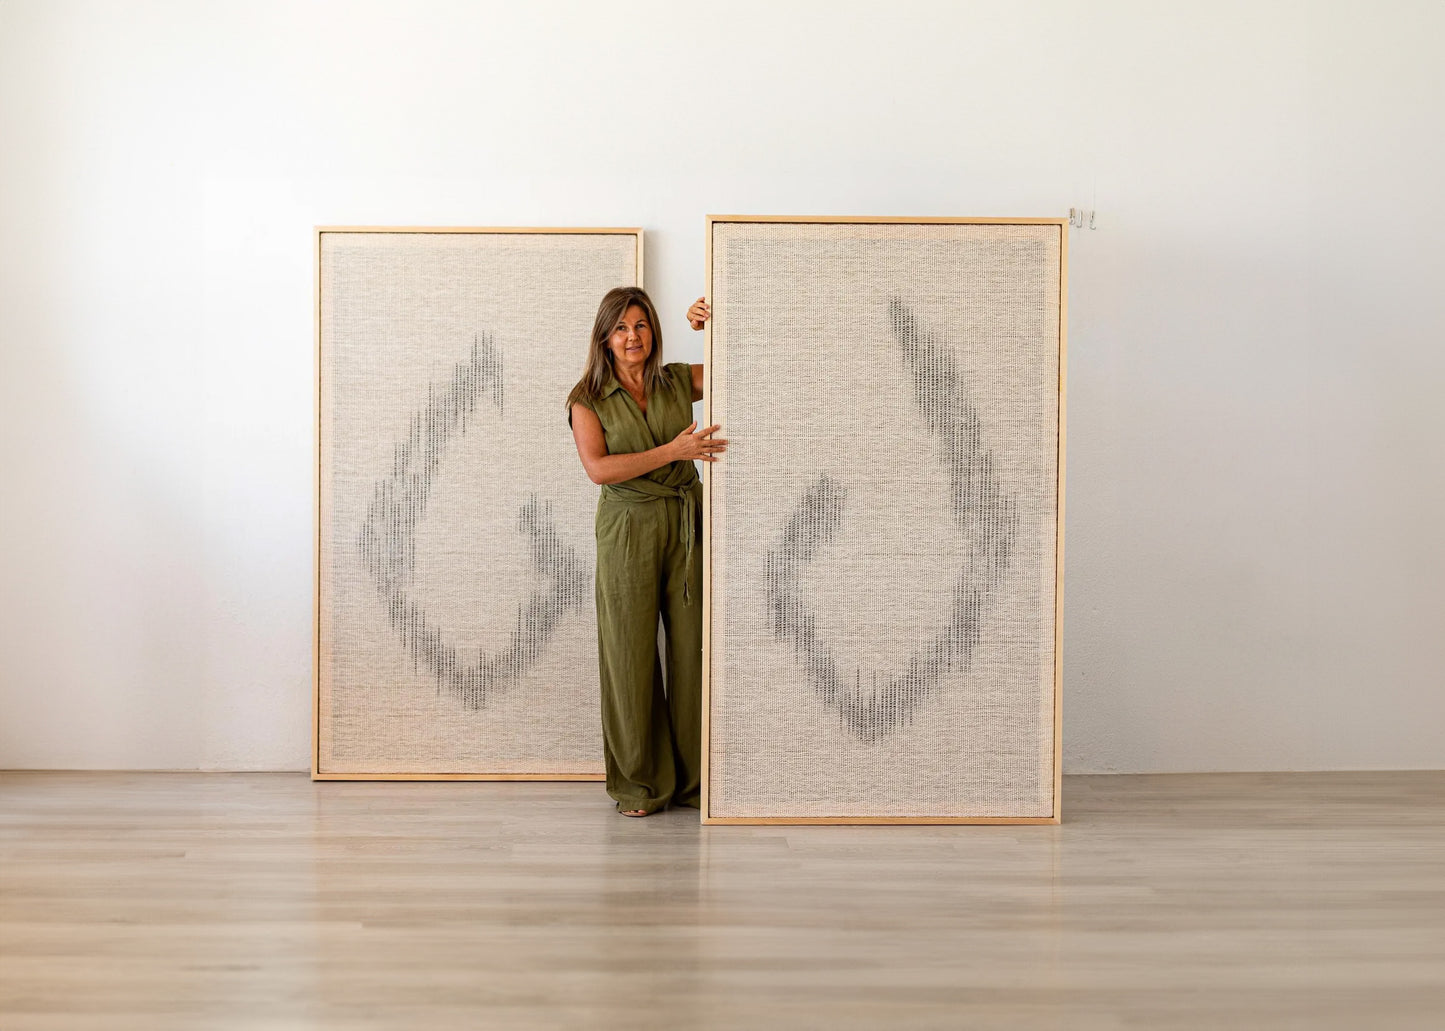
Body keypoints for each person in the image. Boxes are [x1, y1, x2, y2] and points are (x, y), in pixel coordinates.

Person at [566, 287, 725, 816]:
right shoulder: (586, 398)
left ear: (653, 330)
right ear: (604, 338)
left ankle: (696, 781)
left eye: (640, 325)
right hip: (626, 528)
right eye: (620, 328)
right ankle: (638, 784)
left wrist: (708, 325)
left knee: (693, 650)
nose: (632, 336)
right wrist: (675, 451)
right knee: (629, 653)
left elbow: (747, 361)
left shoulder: (678, 379)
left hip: (685, 522)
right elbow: (599, 470)